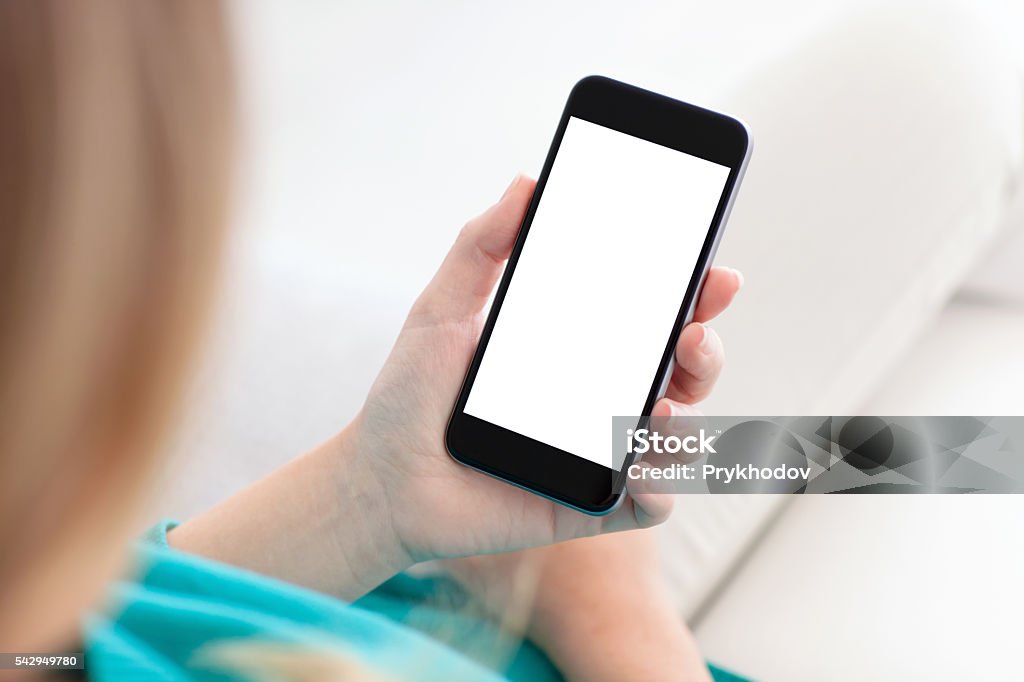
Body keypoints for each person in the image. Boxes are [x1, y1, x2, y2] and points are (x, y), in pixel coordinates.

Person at [0, 2, 743, 680]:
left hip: (446, 563)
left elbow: (71, 640)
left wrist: (374, 494)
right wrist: (624, 627)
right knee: (835, 451)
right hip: (632, 632)